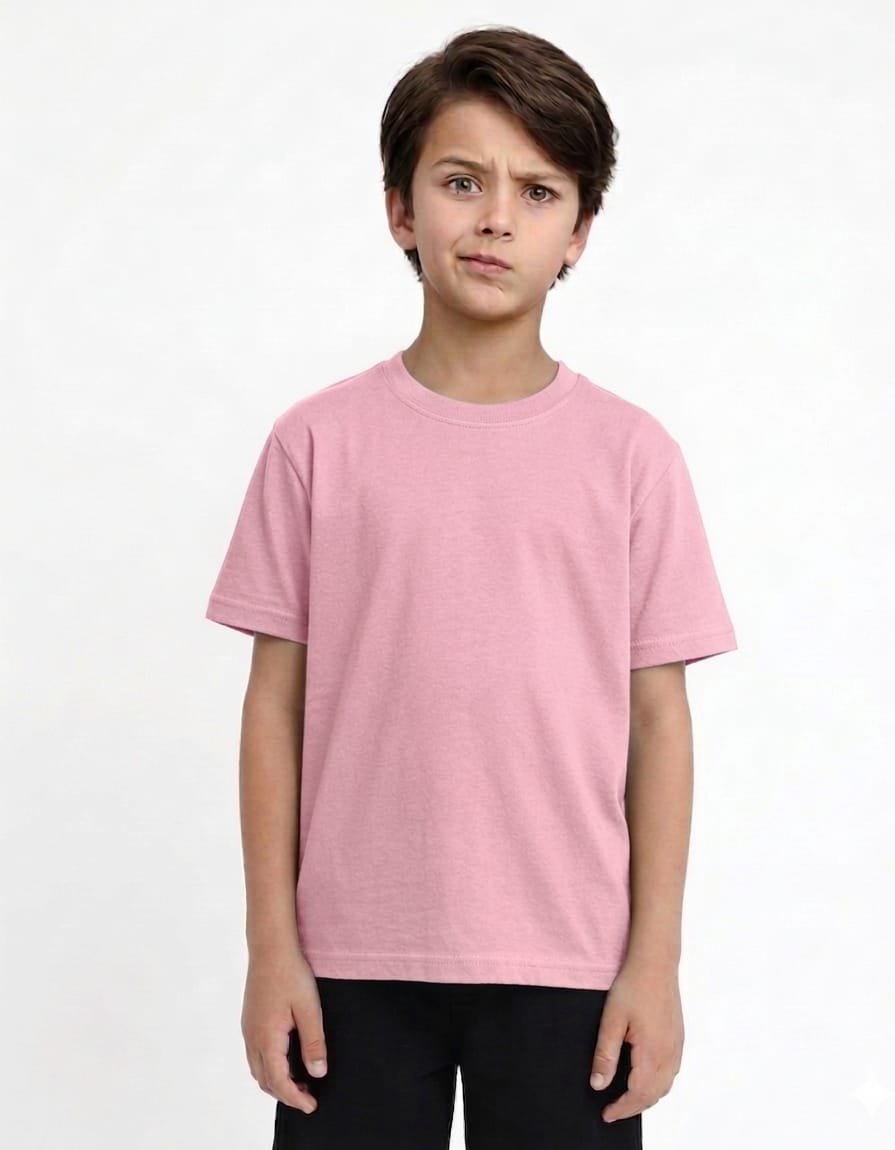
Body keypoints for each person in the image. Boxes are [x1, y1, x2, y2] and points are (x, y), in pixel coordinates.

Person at [204, 24, 737, 1150]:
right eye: (461, 182)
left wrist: (655, 961)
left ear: (578, 232)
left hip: (570, 963)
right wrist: (270, 947)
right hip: (350, 959)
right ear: (401, 209)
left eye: (537, 192)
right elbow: (273, 707)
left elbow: (659, 721)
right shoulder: (317, 445)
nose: (496, 218)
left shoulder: (632, 458)